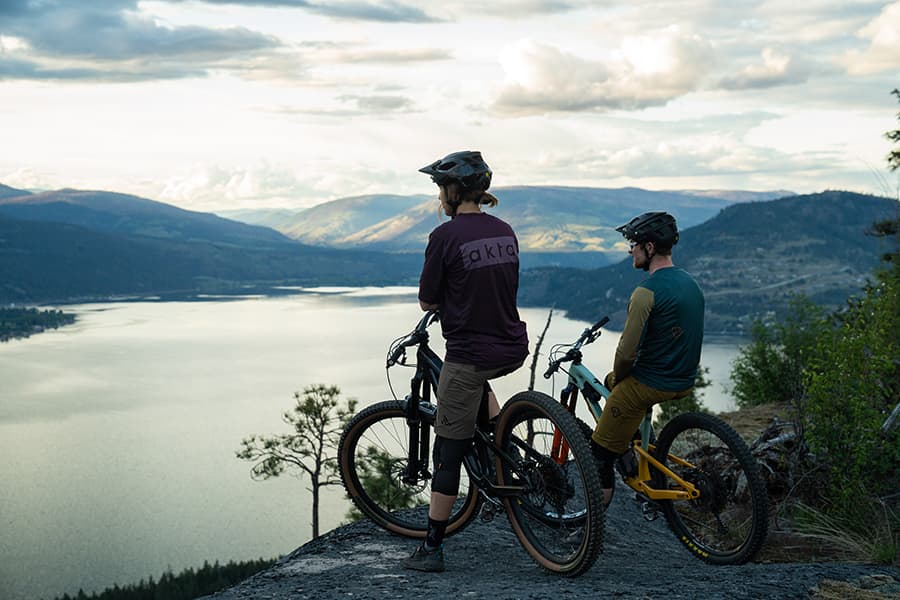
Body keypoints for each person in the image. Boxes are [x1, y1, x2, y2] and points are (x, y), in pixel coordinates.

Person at [403, 150, 529, 573]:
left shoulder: (445, 237)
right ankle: (506, 452)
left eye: (441, 188)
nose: (439, 196)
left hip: (470, 354)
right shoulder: (505, 231)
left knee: (448, 451)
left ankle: (432, 549)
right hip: (512, 346)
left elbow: (428, 299)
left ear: (453, 192)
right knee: (475, 384)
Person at [590, 211, 705, 507]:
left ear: (650, 248)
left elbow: (626, 353)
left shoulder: (646, 293)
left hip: (653, 383)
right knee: (612, 385)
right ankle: (642, 446)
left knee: (598, 456)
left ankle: (590, 528)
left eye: (634, 244)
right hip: (683, 379)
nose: (631, 250)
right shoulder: (690, 283)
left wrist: (619, 376)